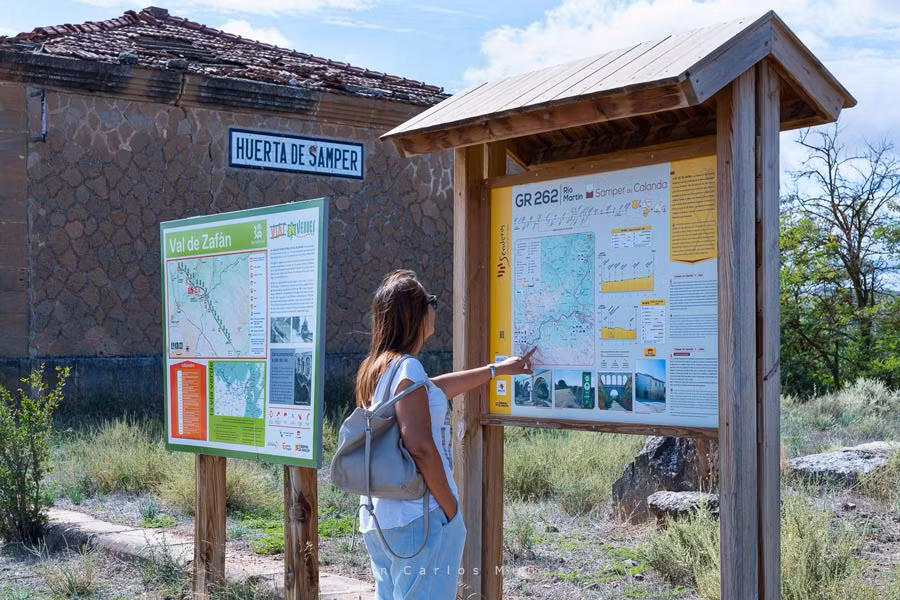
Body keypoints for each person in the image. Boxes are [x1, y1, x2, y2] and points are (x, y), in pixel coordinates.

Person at [355, 269, 535, 600]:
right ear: (417, 314)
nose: (434, 308)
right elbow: (421, 447)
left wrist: (498, 370)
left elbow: (435, 389)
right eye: (430, 301)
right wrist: (451, 510)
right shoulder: (407, 368)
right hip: (417, 519)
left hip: (379, 518)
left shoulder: (376, 368)